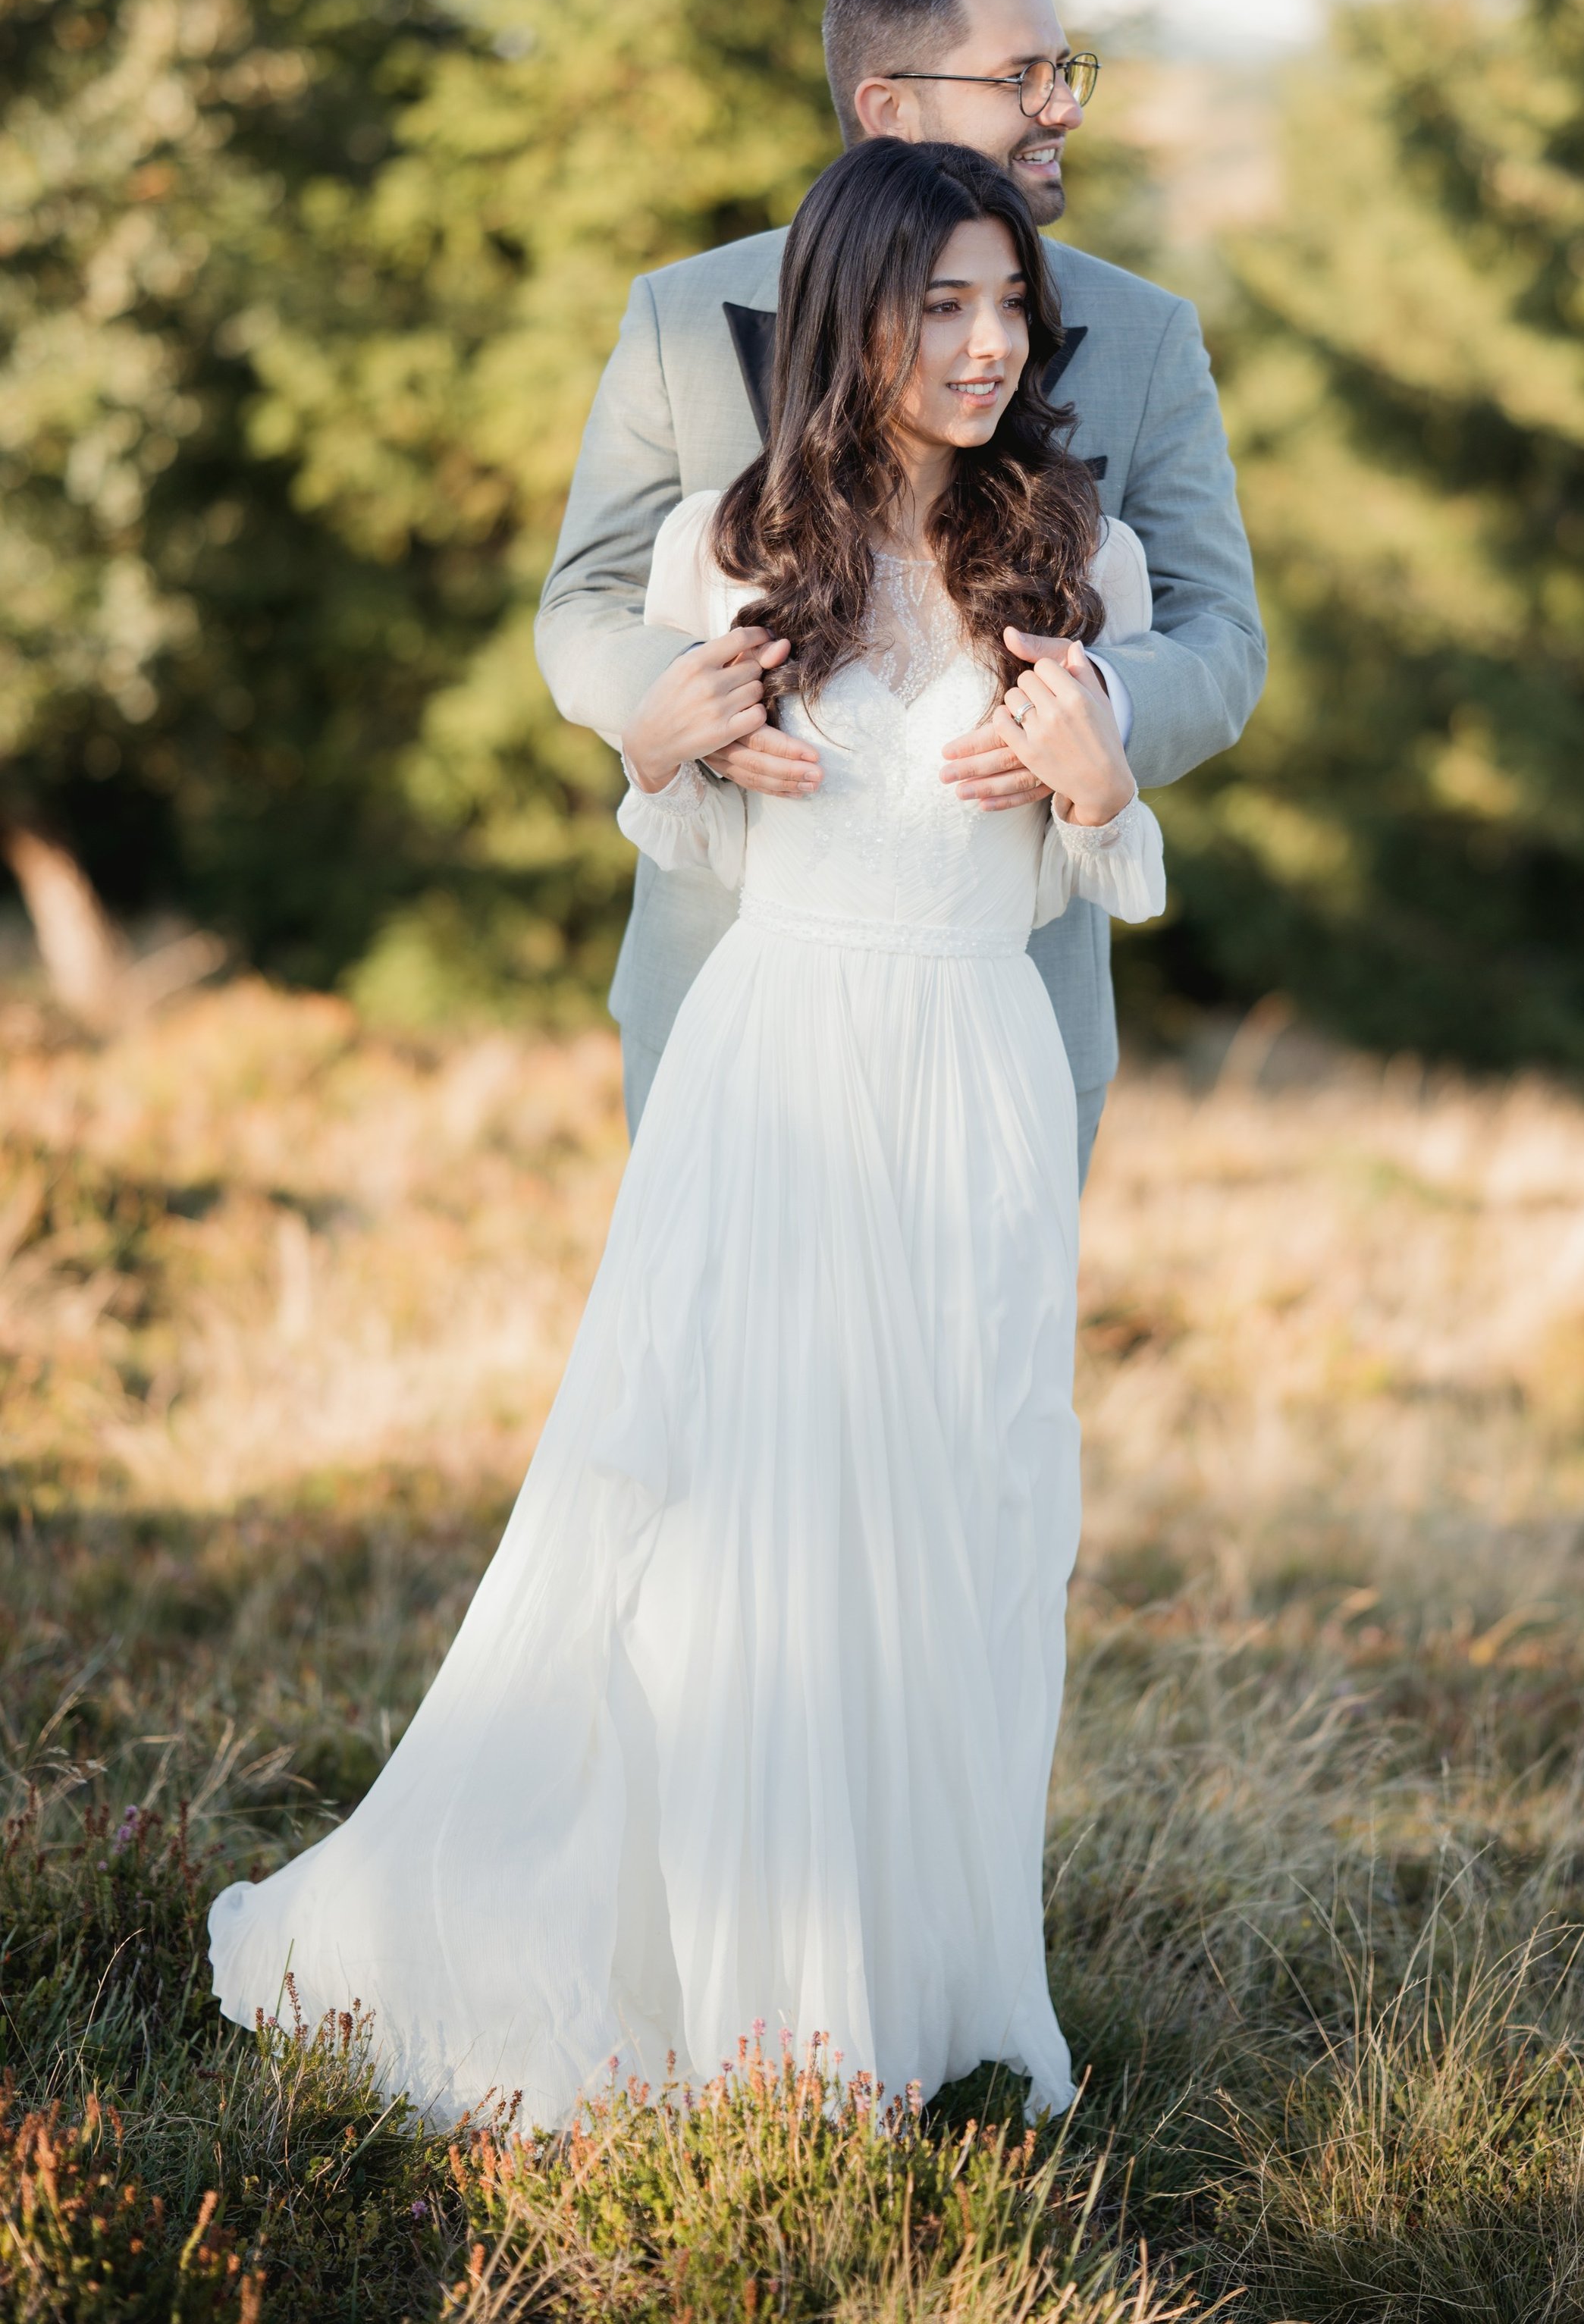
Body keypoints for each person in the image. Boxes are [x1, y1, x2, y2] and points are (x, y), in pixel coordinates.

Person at [209, 142, 1168, 2125]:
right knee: (740, 1523)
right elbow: (696, 831)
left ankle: (921, 1985)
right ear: (854, 315)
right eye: (945, 306)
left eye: (1013, 307)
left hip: (976, 1078)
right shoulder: (736, 542)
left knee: (969, 1518)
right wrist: (652, 750)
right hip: (782, 1070)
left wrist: (1098, 789)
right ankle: (745, 1990)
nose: (993, 345)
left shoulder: (1082, 549)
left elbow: (1095, 883)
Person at [538, 0, 1264, 1168]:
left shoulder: (1150, 336)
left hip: (1008, 1022)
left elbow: (1221, 637)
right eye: (1018, 78)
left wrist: (1100, 715)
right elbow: (585, 602)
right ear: (888, 107)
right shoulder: (677, 316)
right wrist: (676, 700)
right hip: (725, 999)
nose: (1061, 107)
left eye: (1064, 70)